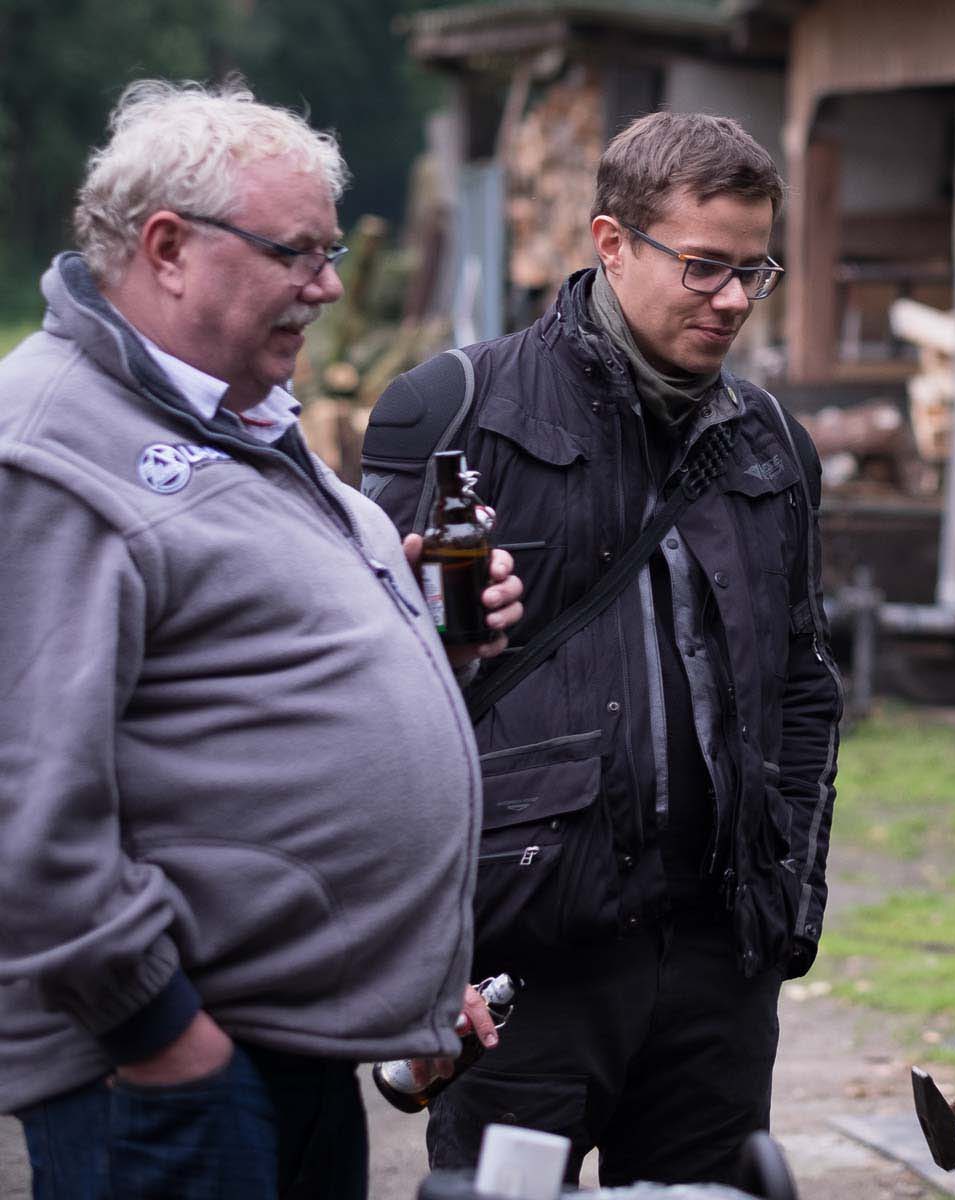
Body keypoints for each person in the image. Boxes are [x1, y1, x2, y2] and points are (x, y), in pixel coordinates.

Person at [0, 78, 523, 1199]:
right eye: (297, 253)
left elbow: (235, 673)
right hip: (168, 1065)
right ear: (168, 247)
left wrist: (423, 632)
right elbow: (22, 796)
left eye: (329, 254)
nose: (327, 286)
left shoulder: (236, 418)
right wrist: (161, 1033)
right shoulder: (50, 448)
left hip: (287, 1046)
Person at [360, 110, 842, 1188]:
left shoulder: (773, 443)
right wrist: (422, 955)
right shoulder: (453, 411)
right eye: (704, 266)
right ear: (612, 243)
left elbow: (804, 688)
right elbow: (374, 704)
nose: (732, 300)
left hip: (718, 967)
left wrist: (786, 909)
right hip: (526, 964)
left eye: (755, 271)